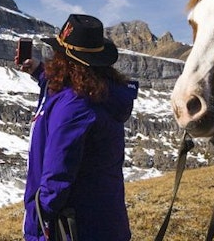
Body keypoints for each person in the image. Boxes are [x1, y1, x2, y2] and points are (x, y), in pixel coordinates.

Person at [16, 14, 138, 241]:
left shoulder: (74, 106)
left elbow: (57, 177)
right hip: (105, 222)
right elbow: (61, 89)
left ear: (65, 59)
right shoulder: (100, 91)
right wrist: (38, 71)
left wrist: (37, 227)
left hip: (74, 228)